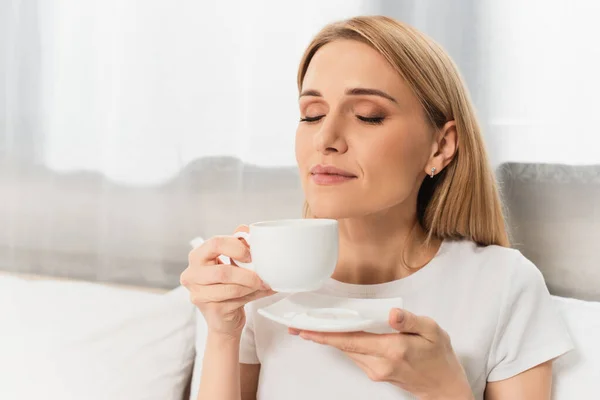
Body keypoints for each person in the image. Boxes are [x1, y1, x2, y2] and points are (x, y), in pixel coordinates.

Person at [180, 15, 573, 400]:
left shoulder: (502, 285)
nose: (326, 138)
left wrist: (445, 390)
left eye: (369, 116)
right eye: (311, 115)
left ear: (441, 146)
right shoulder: (260, 283)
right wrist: (222, 334)